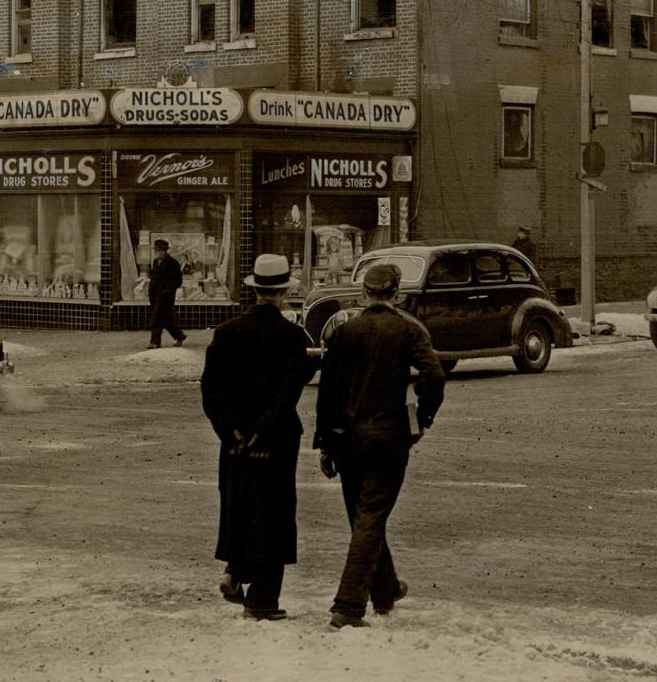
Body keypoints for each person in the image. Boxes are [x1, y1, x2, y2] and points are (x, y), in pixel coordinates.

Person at [316, 262, 445, 629]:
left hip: (346, 439)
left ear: (364, 293)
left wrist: (325, 443)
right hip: (389, 437)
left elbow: (328, 393)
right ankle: (348, 606)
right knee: (370, 517)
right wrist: (424, 416)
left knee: (364, 517)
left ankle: (385, 589)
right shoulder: (408, 330)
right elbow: (433, 374)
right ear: (397, 293)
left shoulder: (345, 331)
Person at [200, 254, 317, 621]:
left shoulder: (226, 332)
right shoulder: (293, 337)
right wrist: (262, 431)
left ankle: (235, 571)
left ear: (254, 290)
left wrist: (232, 429)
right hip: (276, 437)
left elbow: (211, 391)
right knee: (274, 511)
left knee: (238, 502)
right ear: (283, 291)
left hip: (233, 438)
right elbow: (288, 394)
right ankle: (263, 598)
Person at [146, 238, 186, 349]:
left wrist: (168, 290)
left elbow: (178, 280)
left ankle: (155, 342)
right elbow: (153, 278)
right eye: (156, 251)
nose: (157, 253)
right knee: (166, 319)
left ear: (165, 251)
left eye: (160, 250)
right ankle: (179, 335)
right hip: (155, 295)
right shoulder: (155, 262)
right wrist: (150, 291)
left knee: (156, 318)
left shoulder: (172, 263)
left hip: (166, 296)